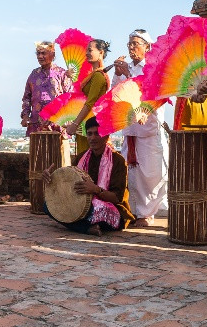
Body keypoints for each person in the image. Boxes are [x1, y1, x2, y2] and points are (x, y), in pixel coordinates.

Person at [112, 29, 169, 227]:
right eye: (129, 43)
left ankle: (148, 213)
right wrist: (118, 75)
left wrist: (128, 74)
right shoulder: (127, 69)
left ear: (147, 47)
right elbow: (116, 95)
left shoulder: (152, 67)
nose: (131, 47)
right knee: (132, 171)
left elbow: (152, 92)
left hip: (148, 130)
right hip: (130, 129)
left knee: (150, 173)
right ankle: (134, 210)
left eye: (136, 43)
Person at [59, 117, 135, 235]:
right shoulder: (81, 158)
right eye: (89, 134)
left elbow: (117, 198)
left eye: (97, 133)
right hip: (83, 205)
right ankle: (87, 228)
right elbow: (68, 182)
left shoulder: (118, 161)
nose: (92, 138)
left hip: (112, 208)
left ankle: (81, 226)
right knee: (48, 207)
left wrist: (95, 189)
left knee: (96, 209)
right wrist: (51, 180)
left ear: (106, 136)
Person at [64, 39, 111, 158]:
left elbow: (89, 103)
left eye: (90, 50)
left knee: (88, 159)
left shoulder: (98, 76)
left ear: (101, 53)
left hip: (91, 124)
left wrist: (75, 124)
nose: (87, 53)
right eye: (87, 50)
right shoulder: (93, 74)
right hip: (85, 121)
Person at [22, 42, 71, 133]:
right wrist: (25, 116)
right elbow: (26, 98)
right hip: (36, 124)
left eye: (43, 53)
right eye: (38, 53)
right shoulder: (33, 74)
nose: (40, 56)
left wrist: (55, 115)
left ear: (53, 55)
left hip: (57, 124)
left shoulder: (62, 73)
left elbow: (68, 98)